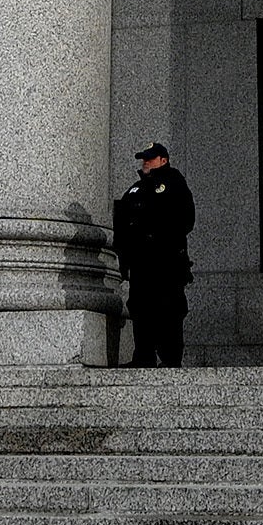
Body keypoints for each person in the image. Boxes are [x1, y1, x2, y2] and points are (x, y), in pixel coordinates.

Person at [111, 142, 195, 369]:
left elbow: (185, 219)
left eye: (150, 158)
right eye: (143, 158)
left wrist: (158, 238)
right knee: (141, 308)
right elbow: (122, 226)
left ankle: (170, 359)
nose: (145, 162)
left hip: (166, 262)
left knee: (168, 309)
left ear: (163, 160)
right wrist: (124, 260)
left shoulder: (174, 183)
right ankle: (143, 356)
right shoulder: (135, 190)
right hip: (141, 264)